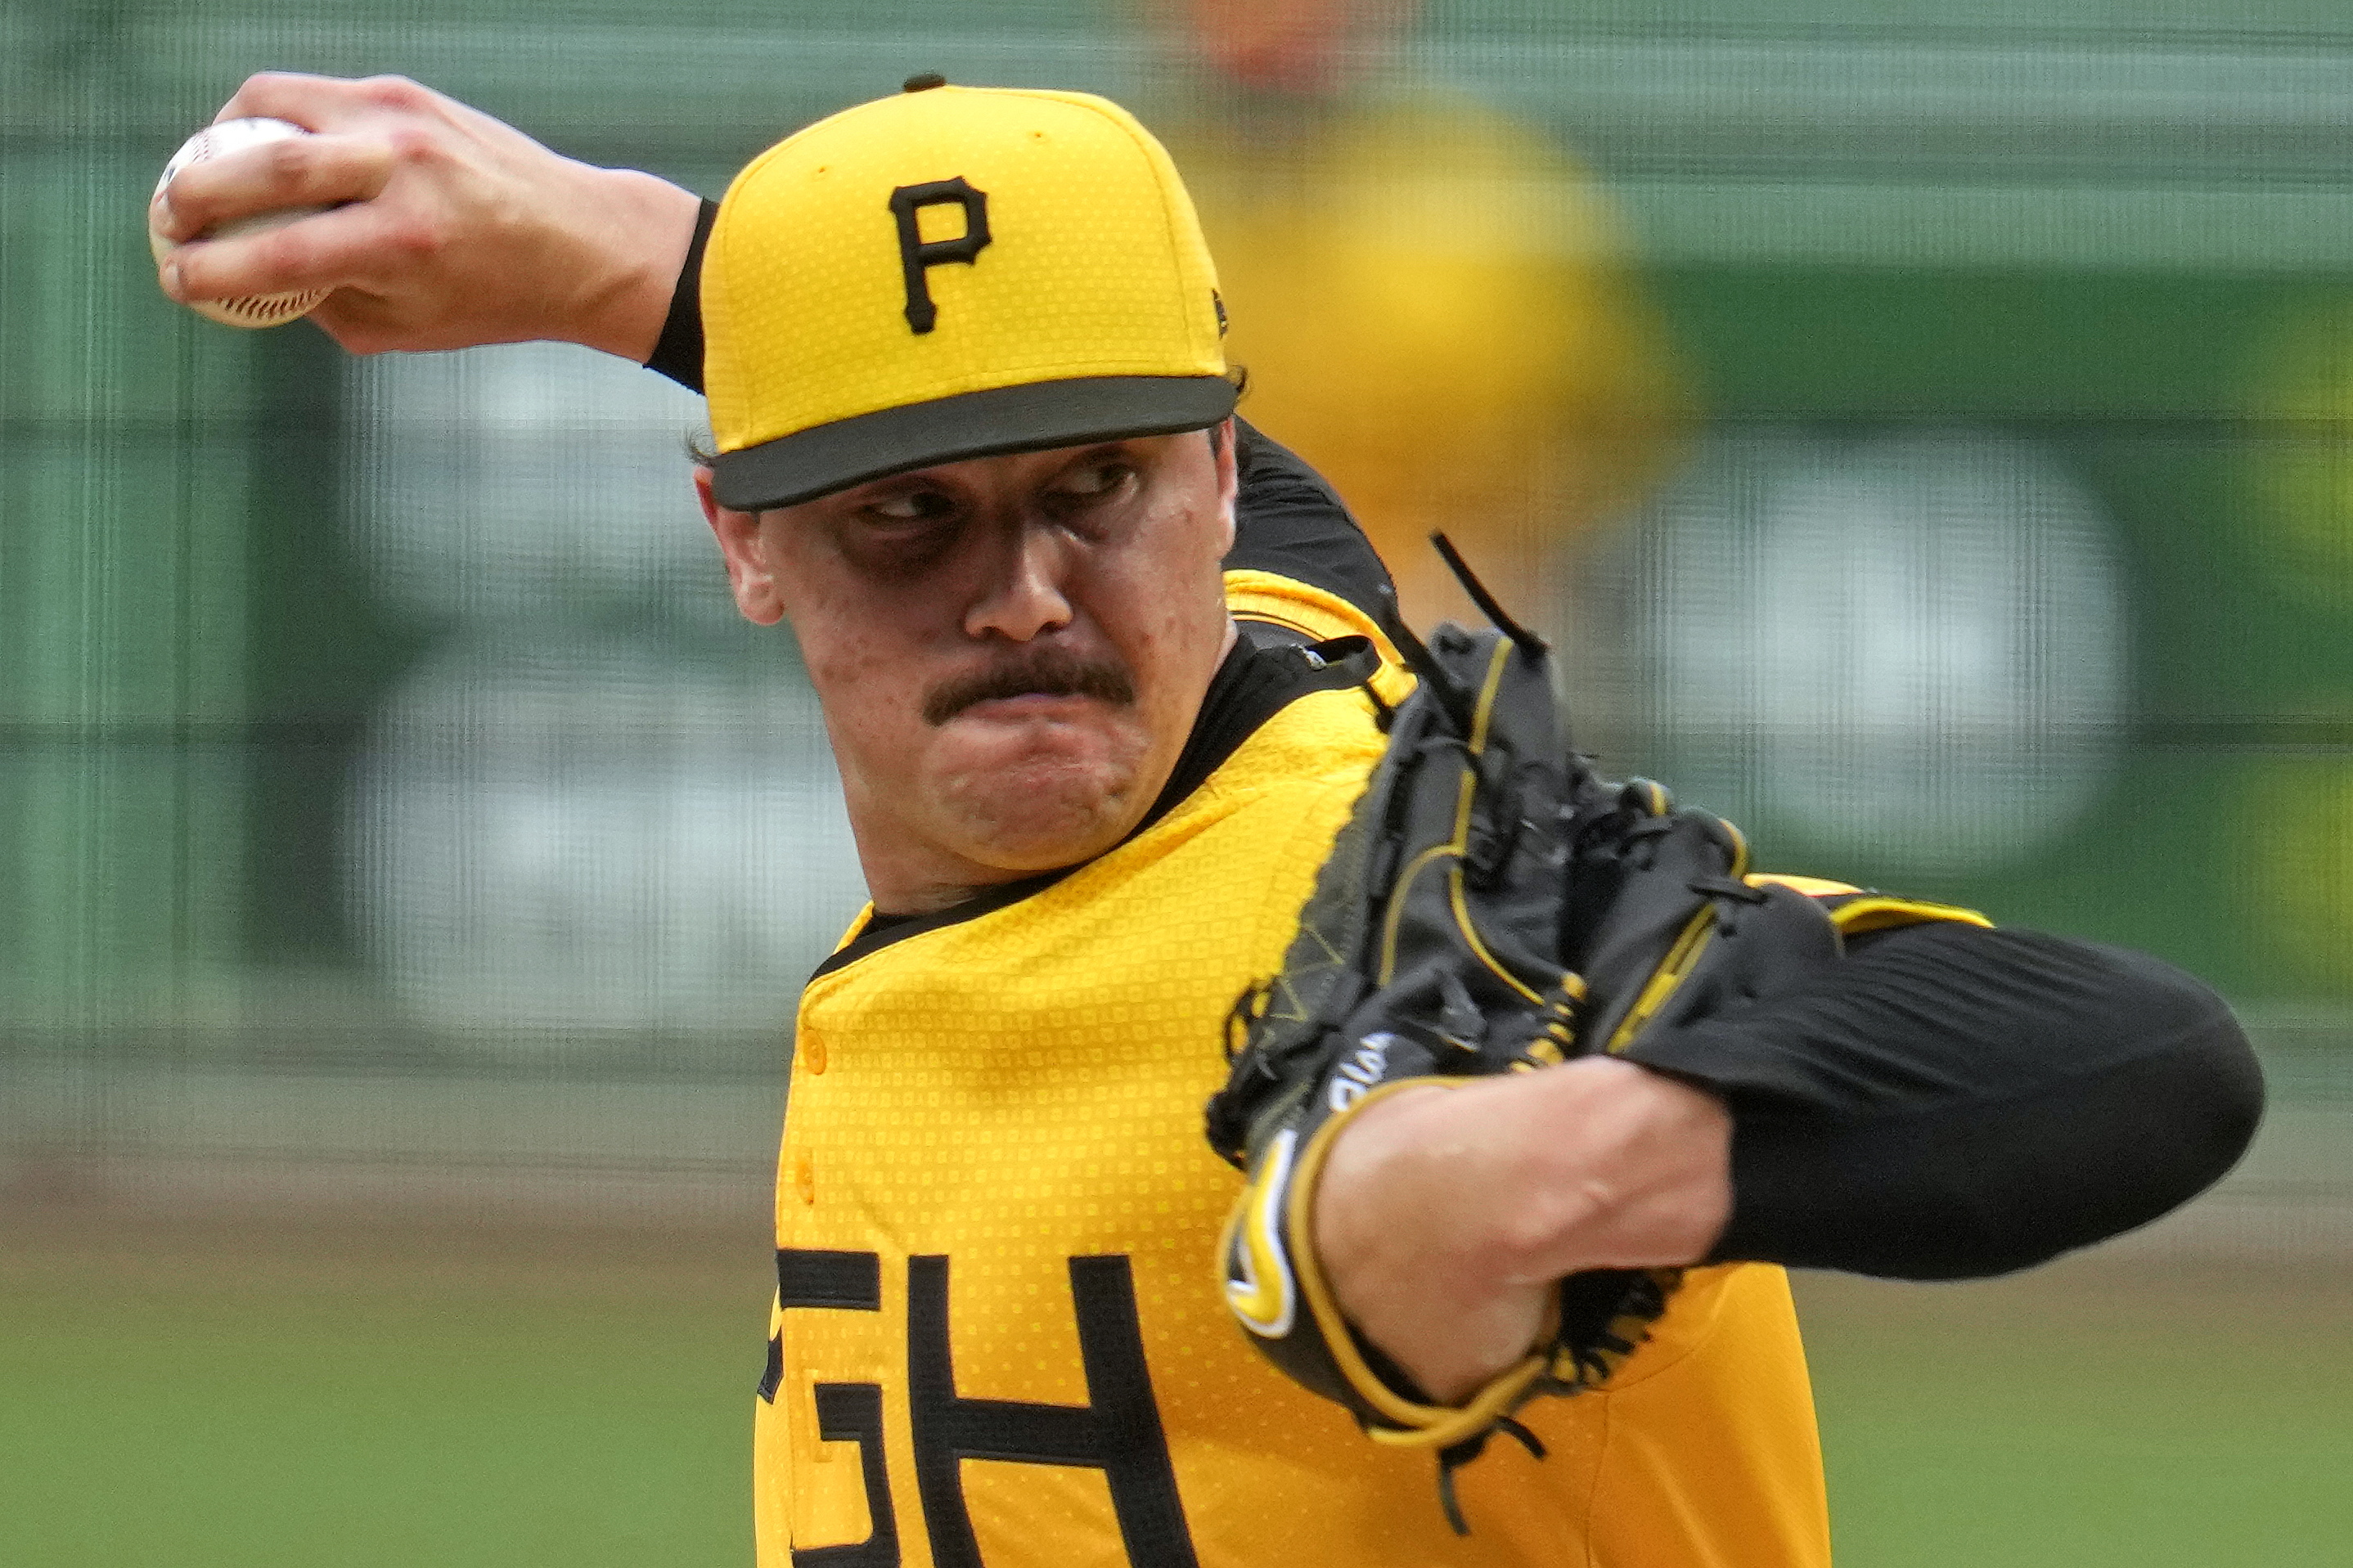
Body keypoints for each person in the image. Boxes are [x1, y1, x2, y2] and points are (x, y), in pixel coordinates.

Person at [154, 71, 2263, 1568]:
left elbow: (2144, 1059)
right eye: (908, 518)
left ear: (1220, 482)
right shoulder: (1187, 697)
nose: (1027, 594)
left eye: (1101, 492)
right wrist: (634, 253)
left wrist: (1525, 1166)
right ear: (744, 543)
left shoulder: (1436, 915)